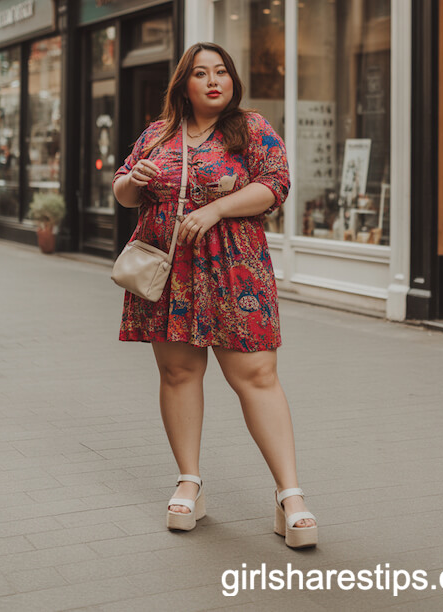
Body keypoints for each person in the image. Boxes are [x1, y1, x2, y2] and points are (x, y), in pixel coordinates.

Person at [112, 42, 318, 548]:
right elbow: (122, 190)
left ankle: (290, 496)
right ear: (183, 83)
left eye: (221, 72)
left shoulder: (251, 128)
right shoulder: (157, 134)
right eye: (200, 73)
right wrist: (131, 181)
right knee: (178, 373)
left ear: (232, 80)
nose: (212, 81)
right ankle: (189, 482)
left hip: (234, 267)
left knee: (257, 376)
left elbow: (276, 184)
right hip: (171, 268)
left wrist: (217, 210)